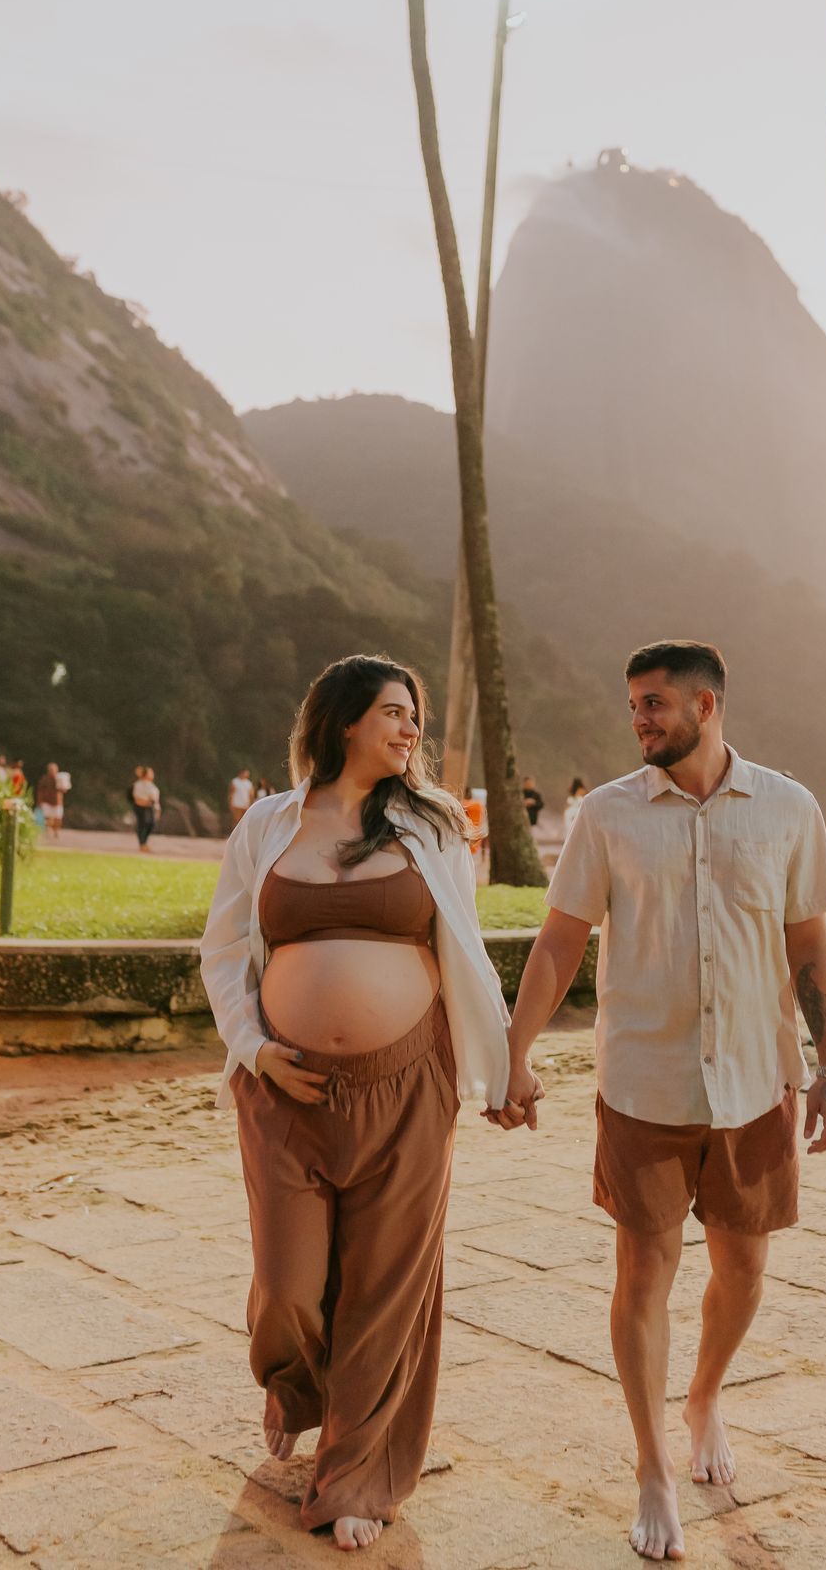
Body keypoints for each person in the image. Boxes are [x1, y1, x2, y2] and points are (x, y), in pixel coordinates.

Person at [489, 639, 826, 1564]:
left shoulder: (788, 809)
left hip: (755, 1083)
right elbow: (560, 945)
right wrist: (513, 1057)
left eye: (654, 705)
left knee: (745, 1268)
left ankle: (703, 1399)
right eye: (635, 707)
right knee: (643, 1274)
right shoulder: (606, 815)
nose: (640, 720)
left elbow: (810, 947)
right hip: (642, 1083)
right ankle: (652, 1465)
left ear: (707, 705)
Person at [201, 654, 511, 1550]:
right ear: (342, 723)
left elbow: (467, 951)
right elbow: (224, 953)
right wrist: (255, 1051)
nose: (412, 729)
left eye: (416, 715)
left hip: (410, 1085)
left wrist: (506, 1066)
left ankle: (355, 1477)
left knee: (385, 1287)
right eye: (393, 712)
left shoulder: (431, 826)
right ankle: (295, 1383)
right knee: (289, 1291)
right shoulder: (268, 824)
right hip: (285, 1090)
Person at [132, 767, 161, 852]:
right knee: (143, 825)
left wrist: (157, 809)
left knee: (150, 825)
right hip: (142, 807)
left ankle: (145, 842)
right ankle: (142, 844)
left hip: (151, 807)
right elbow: (137, 798)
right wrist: (146, 802)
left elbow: (155, 799)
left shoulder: (152, 785)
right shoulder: (140, 784)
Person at [36, 763, 64, 840]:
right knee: (48, 817)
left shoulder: (59, 779)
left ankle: (56, 831)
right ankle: (48, 831)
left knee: (57, 818)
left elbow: (63, 789)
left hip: (57, 801)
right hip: (47, 801)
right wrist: (40, 801)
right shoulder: (45, 779)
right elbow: (40, 790)